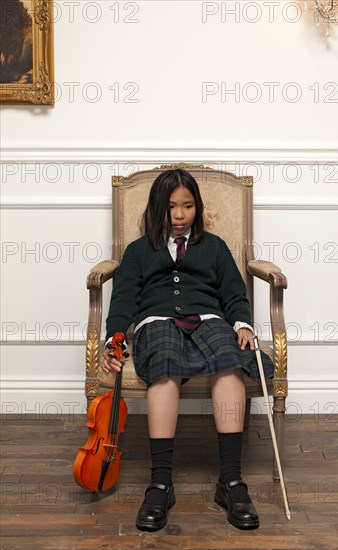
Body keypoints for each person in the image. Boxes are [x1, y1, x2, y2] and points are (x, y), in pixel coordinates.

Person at [102, 168, 274, 532]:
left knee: (229, 362)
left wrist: (242, 324)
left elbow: (233, 292)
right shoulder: (137, 252)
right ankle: (160, 484)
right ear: (155, 209)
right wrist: (115, 335)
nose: (179, 215)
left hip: (209, 319)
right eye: (170, 207)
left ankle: (230, 482)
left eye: (188, 206)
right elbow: (123, 299)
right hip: (157, 322)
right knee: (164, 366)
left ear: (198, 207)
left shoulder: (213, 247)